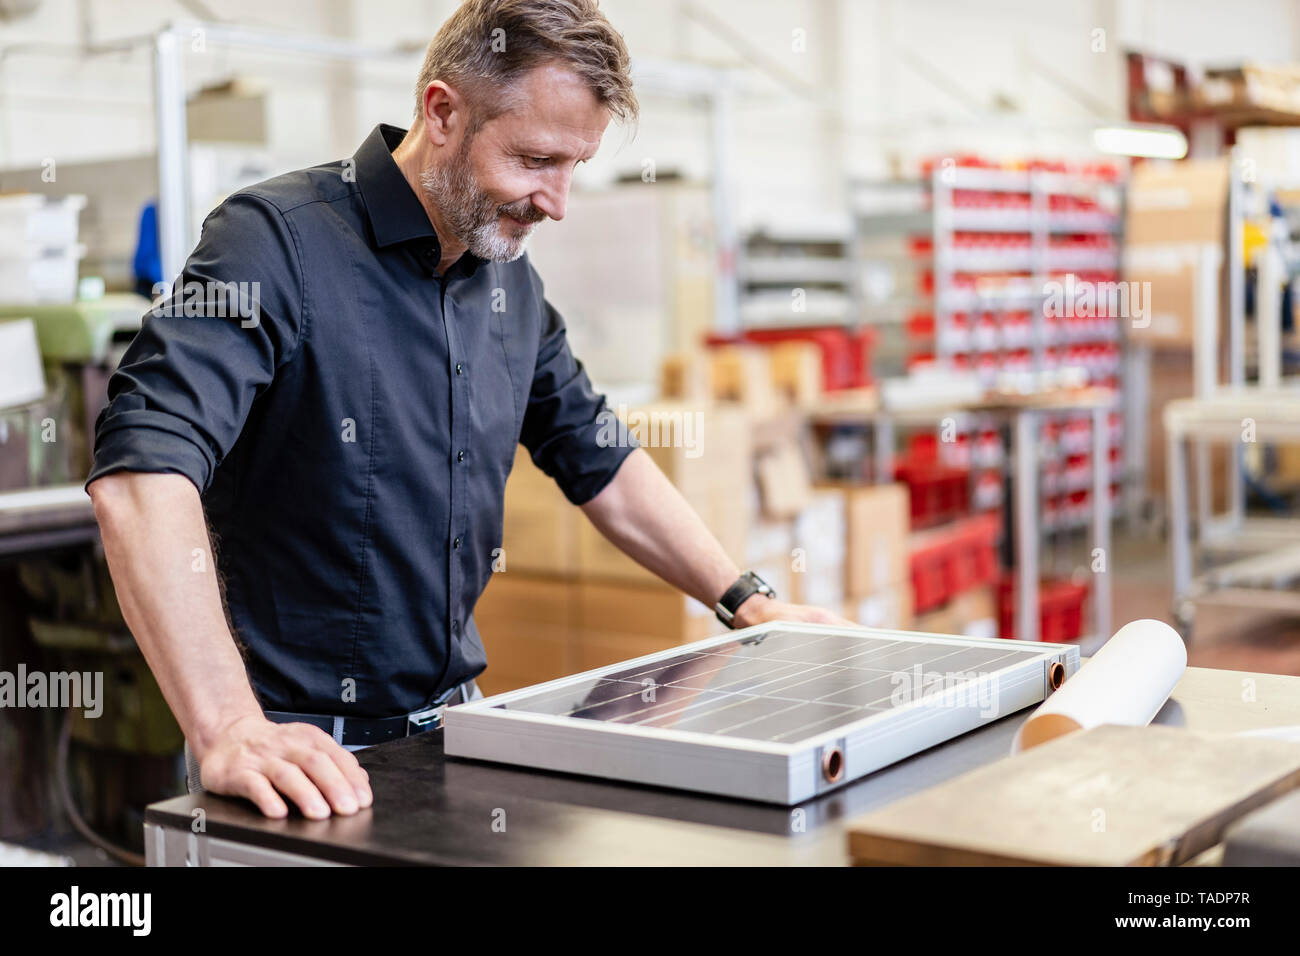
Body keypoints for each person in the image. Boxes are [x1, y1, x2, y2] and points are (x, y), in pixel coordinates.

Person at [87, 0, 847, 822]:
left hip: (452, 733)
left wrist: (746, 599)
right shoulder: (272, 244)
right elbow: (143, 472)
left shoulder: (508, 284)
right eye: (533, 159)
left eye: (573, 167)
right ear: (442, 112)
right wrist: (228, 726)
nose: (555, 201)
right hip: (295, 759)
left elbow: (602, 459)